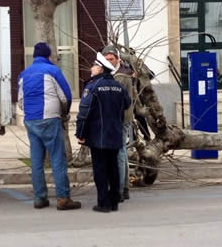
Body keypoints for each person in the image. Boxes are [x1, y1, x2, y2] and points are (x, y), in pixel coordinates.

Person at [18, 42, 81, 211]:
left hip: (31, 120)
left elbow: (21, 101)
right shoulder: (53, 71)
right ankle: (63, 198)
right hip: (50, 119)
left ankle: (40, 198)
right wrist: (64, 113)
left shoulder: (24, 74)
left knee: (37, 161)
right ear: (48, 56)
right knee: (57, 159)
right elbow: (65, 95)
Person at [76, 52, 131, 213]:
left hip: (97, 134)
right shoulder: (119, 87)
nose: (91, 69)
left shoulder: (92, 87)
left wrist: (80, 133)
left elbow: (84, 113)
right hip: (114, 132)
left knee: (100, 169)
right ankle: (114, 201)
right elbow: (127, 104)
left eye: (93, 66)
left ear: (100, 69)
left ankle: (103, 203)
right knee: (113, 167)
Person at [102, 45, 136, 201]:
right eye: (106, 59)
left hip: (119, 118)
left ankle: (119, 190)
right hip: (117, 118)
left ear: (117, 59)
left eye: (111, 59)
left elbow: (118, 100)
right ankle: (125, 187)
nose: (109, 61)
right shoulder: (119, 73)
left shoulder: (121, 76)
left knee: (119, 153)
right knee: (121, 153)